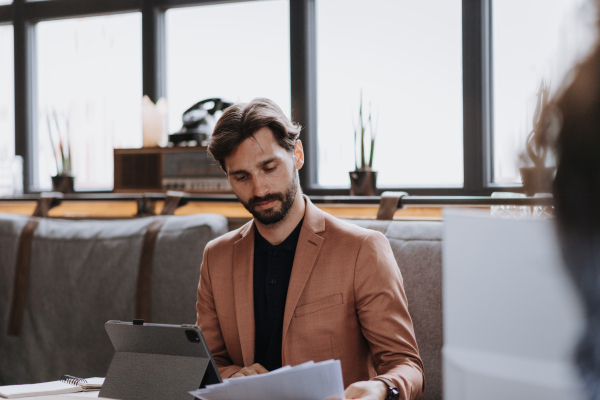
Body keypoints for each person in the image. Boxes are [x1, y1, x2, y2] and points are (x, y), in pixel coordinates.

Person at [195, 98, 424, 400]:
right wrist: (234, 376)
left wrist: (382, 388)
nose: (260, 189)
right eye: (242, 176)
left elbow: (406, 364)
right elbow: (207, 365)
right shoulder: (217, 257)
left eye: (269, 167)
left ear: (297, 154)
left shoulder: (363, 249)